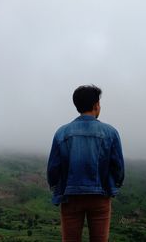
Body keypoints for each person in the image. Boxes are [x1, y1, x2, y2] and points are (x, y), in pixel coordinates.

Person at [47, 84, 125, 242]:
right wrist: (114, 185)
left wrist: (57, 187)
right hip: (100, 197)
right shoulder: (110, 132)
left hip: (71, 197)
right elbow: (118, 168)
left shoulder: (62, 133)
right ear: (96, 105)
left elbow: (53, 169)